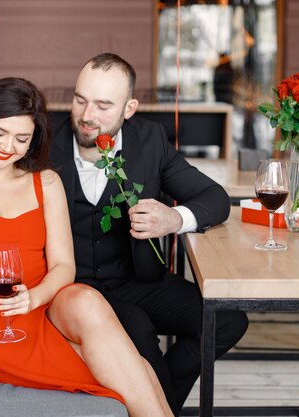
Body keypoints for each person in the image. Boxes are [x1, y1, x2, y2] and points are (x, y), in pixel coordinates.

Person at [0, 77, 174, 417]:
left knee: (87, 299)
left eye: (21, 138)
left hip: (44, 305)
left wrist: (34, 297)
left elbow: (63, 267)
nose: (8, 146)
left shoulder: (46, 182)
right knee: (137, 371)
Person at [50, 53, 249, 414]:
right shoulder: (43, 141)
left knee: (227, 320)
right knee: (138, 330)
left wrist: (173, 219)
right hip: (70, 289)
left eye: (103, 105)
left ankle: (160, 403)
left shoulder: (150, 139)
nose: (87, 115)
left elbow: (215, 199)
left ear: (130, 108)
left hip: (137, 280)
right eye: (80, 100)